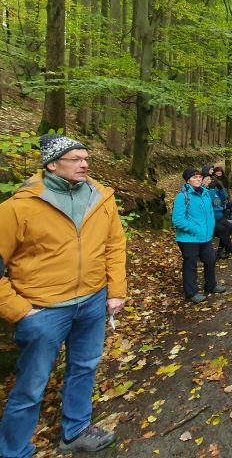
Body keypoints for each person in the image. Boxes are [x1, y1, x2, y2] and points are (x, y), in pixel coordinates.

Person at [0, 133, 127, 455]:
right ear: (52, 164)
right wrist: (18, 309)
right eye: (75, 159)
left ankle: (76, 430)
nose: (84, 164)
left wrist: (116, 291)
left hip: (93, 301)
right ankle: (14, 449)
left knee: (85, 367)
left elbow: (114, 245)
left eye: (86, 158)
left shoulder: (101, 197)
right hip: (43, 310)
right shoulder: (19, 207)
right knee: (30, 386)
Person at [172, 168, 226, 303]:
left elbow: (210, 212)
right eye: (194, 177)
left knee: (210, 259)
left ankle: (211, 285)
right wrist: (195, 229)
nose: (198, 179)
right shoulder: (182, 196)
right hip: (189, 238)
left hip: (205, 237)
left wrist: (211, 225)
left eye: (199, 177)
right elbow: (178, 220)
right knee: (190, 265)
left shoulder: (205, 194)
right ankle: (191, 293)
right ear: (187, 180)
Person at [201, 165, 232, 260]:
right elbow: (212, 203)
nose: (210, 180)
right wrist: (212, 192)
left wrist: (219, 188)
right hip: (211, 218)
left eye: (210, 179)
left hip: (219, 214)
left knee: (229, 227)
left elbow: (221, 199)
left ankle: (220, 251)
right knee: (224, 230)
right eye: (207, 179)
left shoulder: (212, 187)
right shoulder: (203, 191)